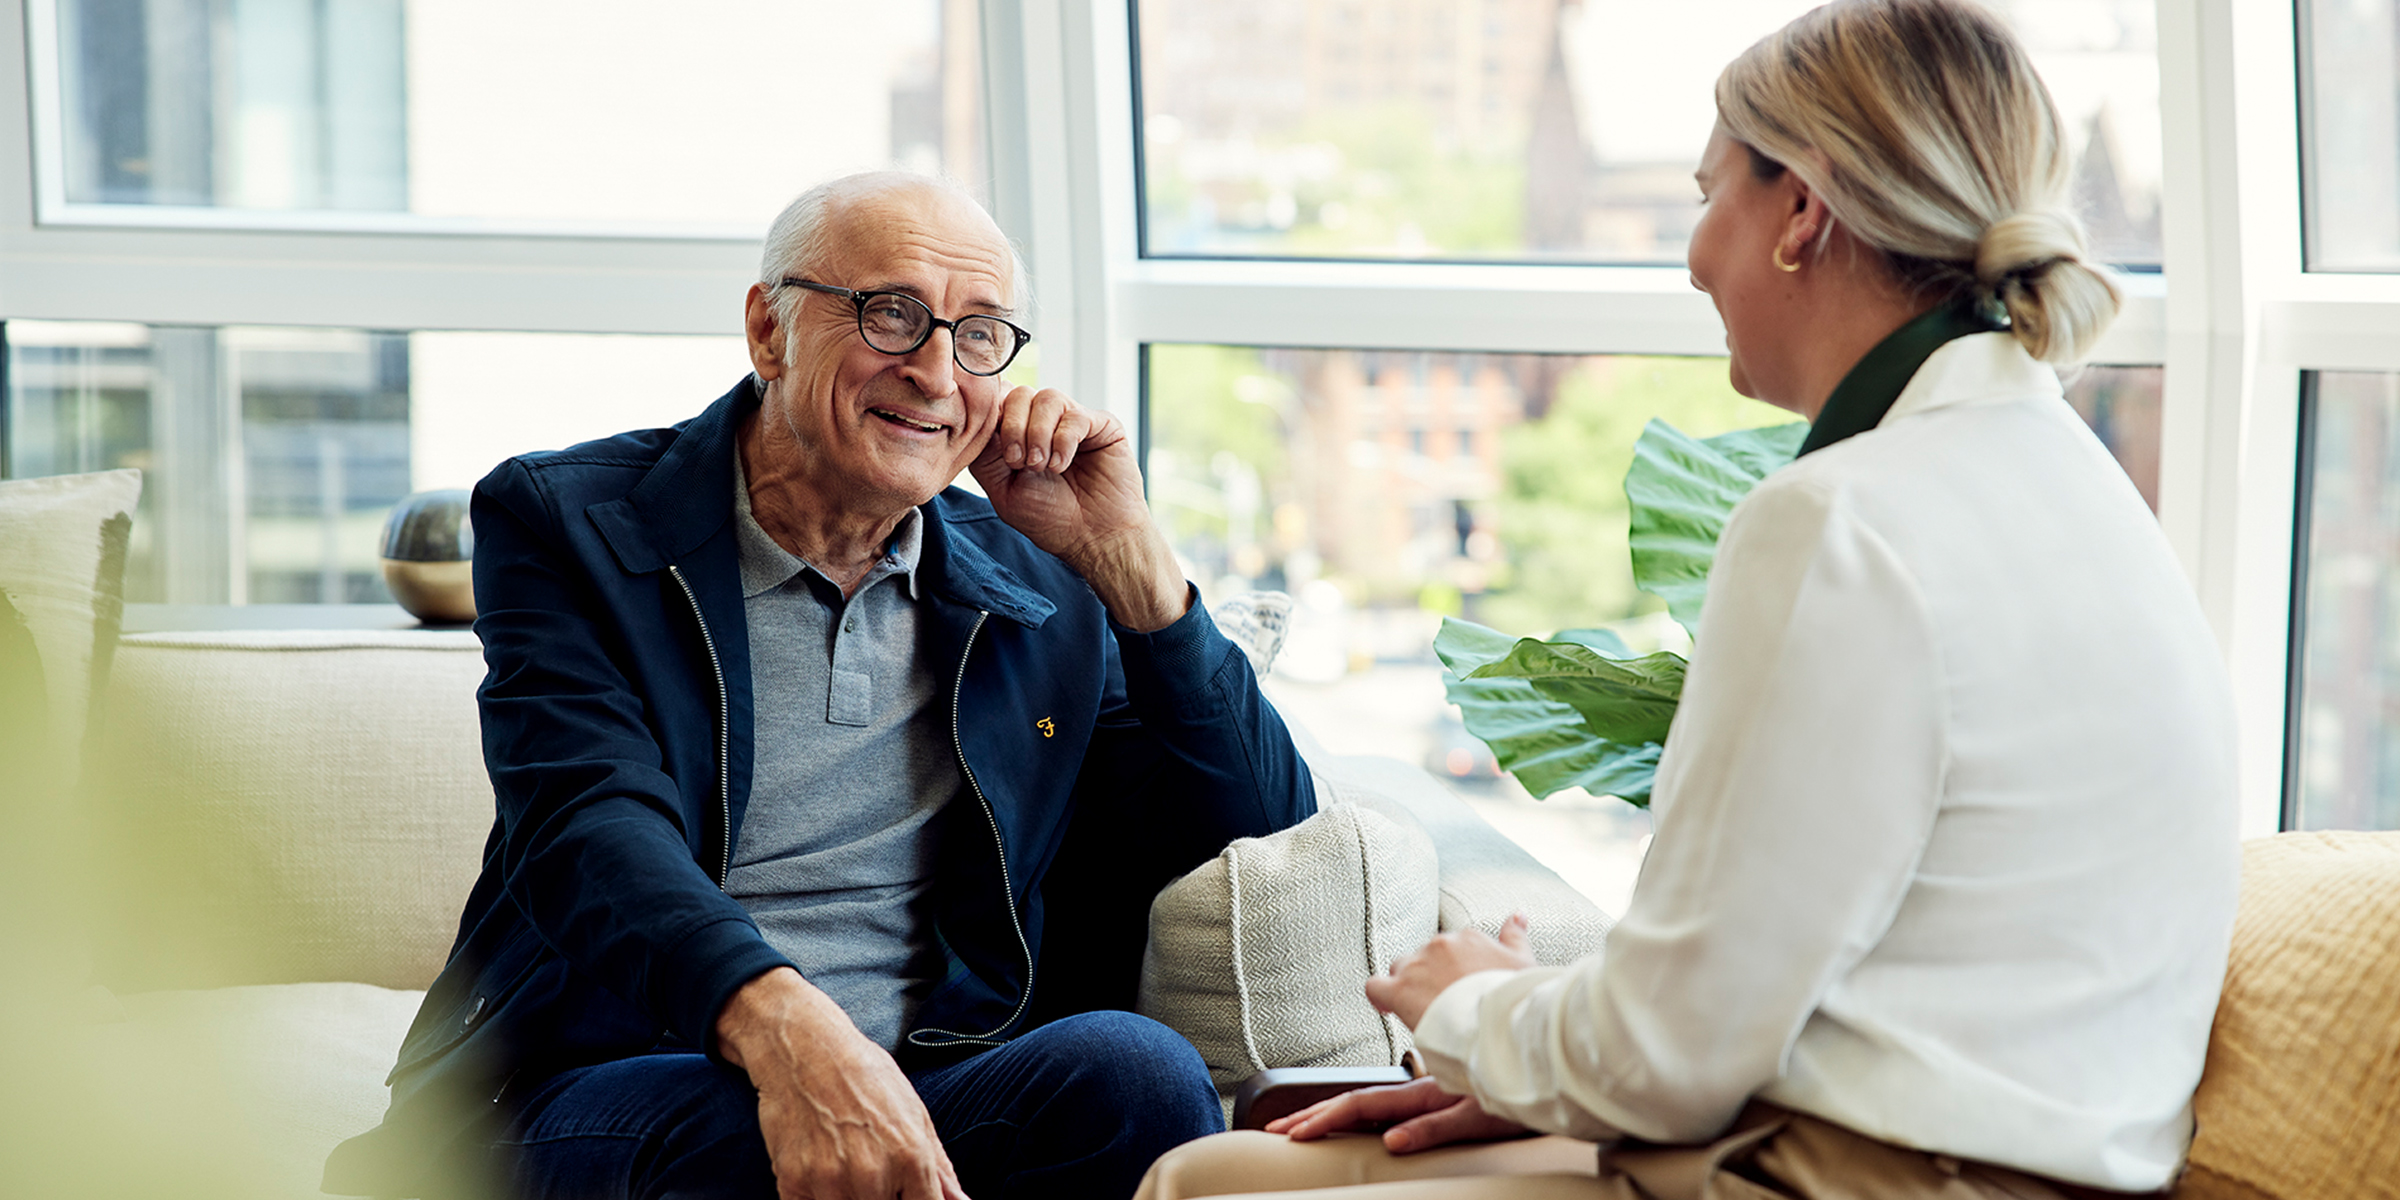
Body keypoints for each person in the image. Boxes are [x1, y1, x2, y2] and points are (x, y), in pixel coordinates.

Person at [1137, 2, 2239, 1198]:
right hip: (1966, 1157)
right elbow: (1825, 971)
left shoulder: (1841, 517)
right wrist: (1524, 1047)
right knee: (1243, 1165)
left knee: (1213, 1182)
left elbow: (1673, 1058)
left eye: (1711, 195)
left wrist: (1467, 1008)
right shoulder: (2079, 486)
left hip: (1858, 1174)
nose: (1695, 253)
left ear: (1801, 212)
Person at [323, 171, 1317, 1200]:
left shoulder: (1035, 577)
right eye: (893, 315)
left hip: (932, 1078)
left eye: (979, 335)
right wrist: (786, 1031)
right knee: (743, 1132)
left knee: (1137, 1075)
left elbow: (1267, 828)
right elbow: (586, 823)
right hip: (610, 1078)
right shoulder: (573, 524)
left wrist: (1134, 567)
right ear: (769, 332)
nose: (937, 371)